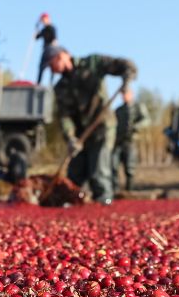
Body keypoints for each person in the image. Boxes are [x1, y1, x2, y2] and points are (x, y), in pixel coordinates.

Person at [46, 45, 137, 205]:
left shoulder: (93, 63)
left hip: (102, 126)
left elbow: (126, 66)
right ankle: (73, 215)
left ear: (61, 56)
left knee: (98, 173)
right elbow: (65, 117)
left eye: (51, 64)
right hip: (81, 135)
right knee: (74, 175)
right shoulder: (60, 87)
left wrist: (126, 81)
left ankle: (105, 208)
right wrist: (70, 137)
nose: (52, 70)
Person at [113, 89, 150, 193]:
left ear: (131, 94)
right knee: (113, 165)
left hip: (130, 141)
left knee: (130, 167)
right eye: (123, 94)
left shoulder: (138, 107)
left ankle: (129, 190)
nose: (124, 96)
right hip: (118, 141)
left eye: (126, 94)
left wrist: (135, 126)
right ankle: (115, 190)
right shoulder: (119, 110)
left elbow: (146, 120)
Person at [34, 13, 57, 84]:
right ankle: (38, 83)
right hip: (46, 48)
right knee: (42, 67)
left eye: (43, 19)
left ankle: (51, 83)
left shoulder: (52, 28)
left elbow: (54, 40)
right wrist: (37, 29)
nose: (43, 21)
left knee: (52, 66)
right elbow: (37, 37)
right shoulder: (44, 29)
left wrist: (54, 48)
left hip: (51, 49)